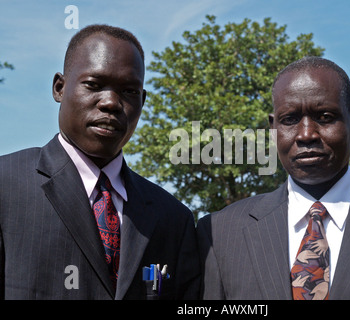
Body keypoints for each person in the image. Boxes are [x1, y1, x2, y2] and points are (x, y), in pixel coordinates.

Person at [196, 56, 350, 300]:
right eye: (290, 120)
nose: (306, 135)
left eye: (325, 117)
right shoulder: (220, 234)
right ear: (273, 129)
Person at [0, 24, 200, 300]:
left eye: (129, 91)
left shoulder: (174, 218)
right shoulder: (5, 185)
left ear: (142, 101)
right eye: (94, 85)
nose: (111, 103)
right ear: (59, 88)